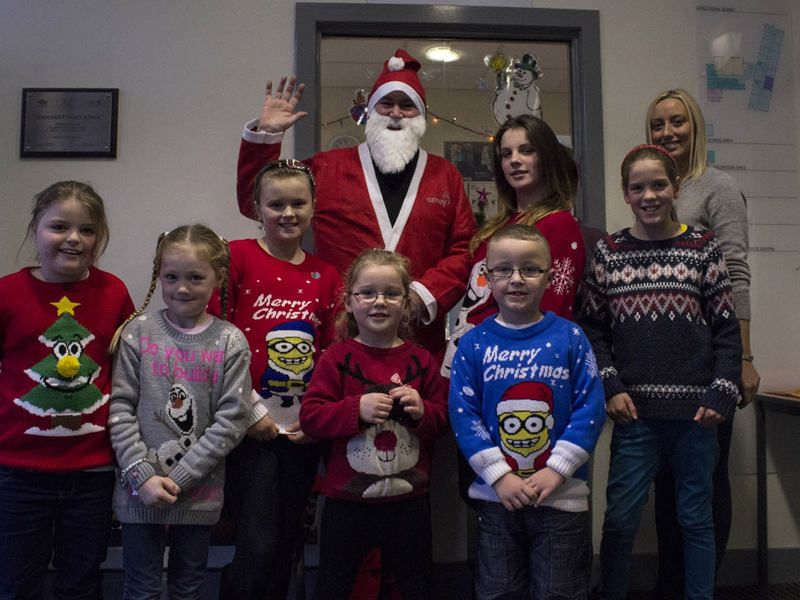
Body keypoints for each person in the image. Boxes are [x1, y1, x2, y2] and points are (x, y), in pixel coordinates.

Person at [236, 49, 477, 361]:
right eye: (386, 103)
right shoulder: (326, 168)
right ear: (371, 110)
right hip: (339, 336)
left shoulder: (445, 176)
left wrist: (422, 294)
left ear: (421, 115)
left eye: (407, 106)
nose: (395, 113)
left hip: (418, 339)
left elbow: (464, 250)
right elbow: (254, 202)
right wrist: (267, 136)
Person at [580, 145, 742, 600]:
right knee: (620, 519)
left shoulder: (703, 247)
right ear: (625, 194)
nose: (649, 195)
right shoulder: (608, 252)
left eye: (658, 185)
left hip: (696, 417)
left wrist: (722, 392)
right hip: (636, 416)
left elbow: (727, 330)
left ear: (674, 189)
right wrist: (610, 385)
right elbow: (592, 330)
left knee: (695, 517)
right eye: (638, 187)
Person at [448, 223, 605, 600]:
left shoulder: (570, 337)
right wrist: (500, 476)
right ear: (487, 277)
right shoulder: (472, 344)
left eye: (530, 269)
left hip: (562, 498)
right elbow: (463, 415)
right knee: (498, 592)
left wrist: (557, 469)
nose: (516, 279)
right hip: (496, 498)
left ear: (548, 277)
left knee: (560, 592)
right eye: (504, 269)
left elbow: (591, 406)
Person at [645, 88, 759, 597]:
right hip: (663, 370)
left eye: (677, 122)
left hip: (713, 364)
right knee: (666, 484)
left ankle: (701, 588)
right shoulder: (654, 187)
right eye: (657, 125)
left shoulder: (719, 188)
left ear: (696, 127)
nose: (667, 132)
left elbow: (736, 273)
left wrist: (745, 359)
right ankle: (673, 584)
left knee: (706, 484)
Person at [0, 181, 134, 599]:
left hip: (91, 473)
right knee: (17, 581)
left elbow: (131, 370)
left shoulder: (113, 292)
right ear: (35, 229)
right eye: (59, 226)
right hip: (17, 473)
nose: (74, 239)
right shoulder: (7, 293)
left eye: (88, 230)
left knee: (81, 581)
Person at [217, 159, 342, 600]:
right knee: (257, 545)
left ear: (313, 208)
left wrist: (317, 419)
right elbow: (215, 342)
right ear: (256, 208)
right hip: (246, 429)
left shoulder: (327, 275)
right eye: (276, 204)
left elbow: (331, 356)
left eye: (297, 203)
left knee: (286, 542)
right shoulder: (236, 257)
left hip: (302, 433)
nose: (287, 213)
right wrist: (250, 411)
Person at [108, 225, 250, 600]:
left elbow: (232, 419)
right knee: (141, 587)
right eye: (171, 277)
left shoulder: (230, 341)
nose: (182, 288)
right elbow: (120, 408)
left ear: (218, 277)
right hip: (139, 494)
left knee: (188, 587)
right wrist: (142, 475)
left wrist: (183, 476)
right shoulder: (138, 334)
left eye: (195, 278)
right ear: (159, 275)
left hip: (198, 495)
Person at [299, 249, 449, 599]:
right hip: (345, 502)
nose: (379, 302)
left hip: (409, 501)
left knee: (416, 584)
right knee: (334, 583)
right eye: (367, 293)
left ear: (406, 303)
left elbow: (444, 418)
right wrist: (355, 409)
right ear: (350, 302)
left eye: (391, 293)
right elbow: (311, 416)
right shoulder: (336, 359)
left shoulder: (422, 361)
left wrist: (423, 411)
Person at [442, 114, 586, 376]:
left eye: (526, 150)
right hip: (469, 357)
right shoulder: (495, 228)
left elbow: (552, 311)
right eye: (506, 154)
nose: (514, 160)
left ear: (546, 157)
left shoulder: (559, 224)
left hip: (515, 365)